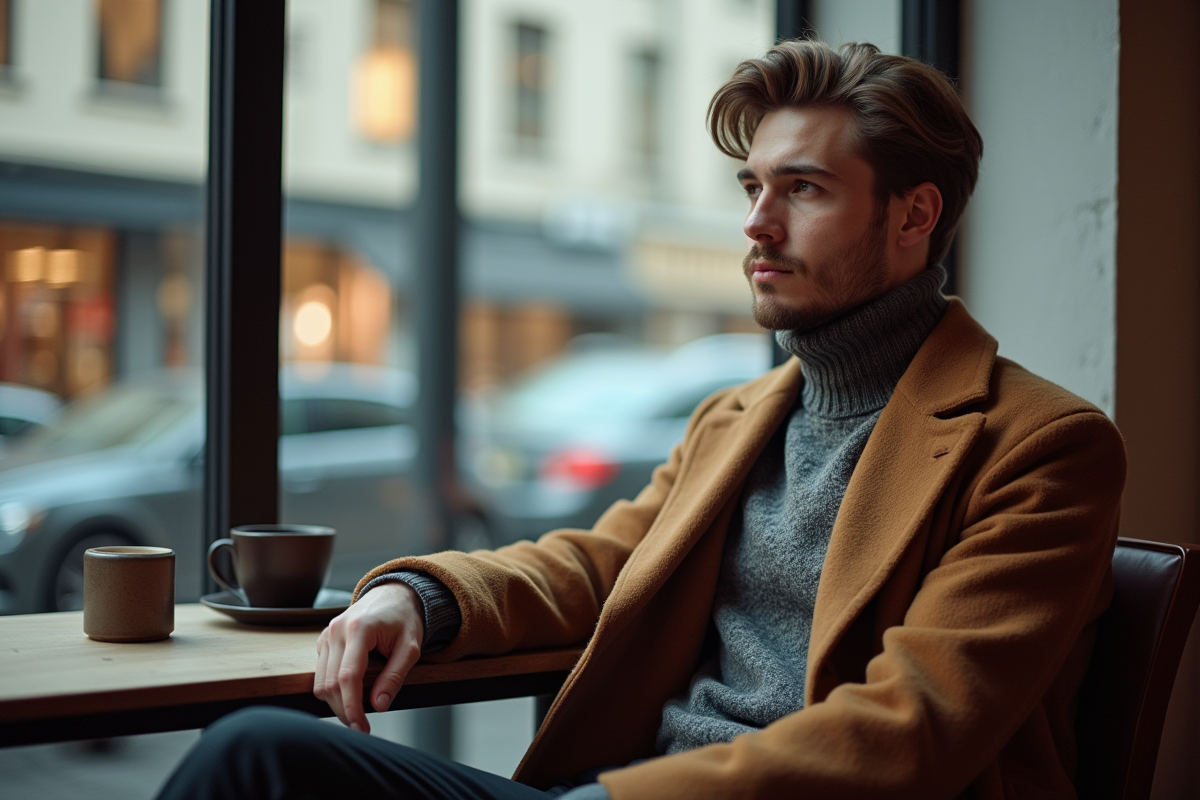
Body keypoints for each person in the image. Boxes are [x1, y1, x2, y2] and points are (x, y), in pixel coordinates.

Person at [157, 39, 1125, 800]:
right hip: (632, 786)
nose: (756, 221)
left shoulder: (1042, 445)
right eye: (754, 185)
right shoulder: (740, 415)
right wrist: (419, 593)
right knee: (258, 751)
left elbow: (912, 726)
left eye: (804, 188)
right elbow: (603, 560)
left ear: (915, 216)